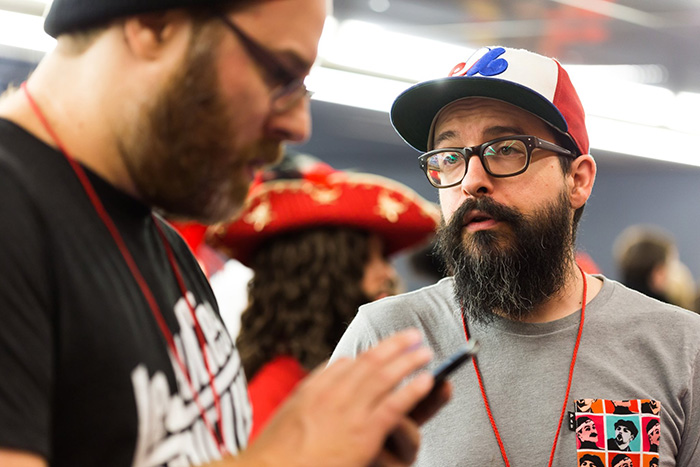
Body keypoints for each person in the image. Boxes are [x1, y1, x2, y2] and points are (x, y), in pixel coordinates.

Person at [0, 1, 450, 466]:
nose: (298, 125)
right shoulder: (14, 212)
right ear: (154, 25)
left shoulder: (168, 252)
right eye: (280, 76)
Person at [330, 45, 700, 466]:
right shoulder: (384, 338)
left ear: (577, 180)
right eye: (449, 157)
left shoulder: (681, 347)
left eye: (505, 148)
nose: (470, 181)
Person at [206, 153, 440, 440]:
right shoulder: (276, 394)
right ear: (323, 274)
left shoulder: (328, 375)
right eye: (370, 258)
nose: (387, 273)